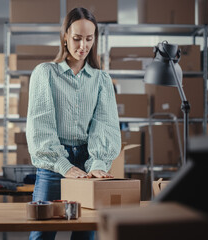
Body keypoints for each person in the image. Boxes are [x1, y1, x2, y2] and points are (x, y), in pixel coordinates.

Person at [26, 7, 121, 240]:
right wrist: (64, 166)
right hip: (53, 165)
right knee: (42, 233)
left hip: (89, 163)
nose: (83, 46)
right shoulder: (45, 74)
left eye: (89, 39)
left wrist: (98, 163)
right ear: (65, 37)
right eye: (77, 38)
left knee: (87, 233)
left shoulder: (102, 80)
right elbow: (40, 125)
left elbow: (105, 124)